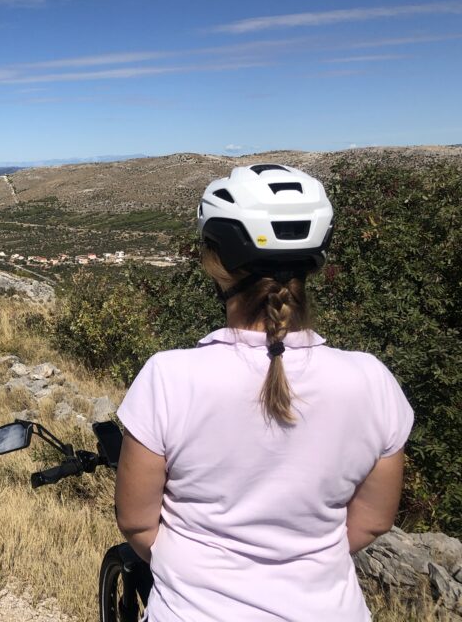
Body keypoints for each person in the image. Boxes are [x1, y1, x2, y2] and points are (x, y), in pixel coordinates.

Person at [114, 163, 414, 621]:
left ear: (216, 263)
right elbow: (373, 521)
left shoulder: (168, 377)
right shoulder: (372, 380)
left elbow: (137, 521)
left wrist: (194, 570)